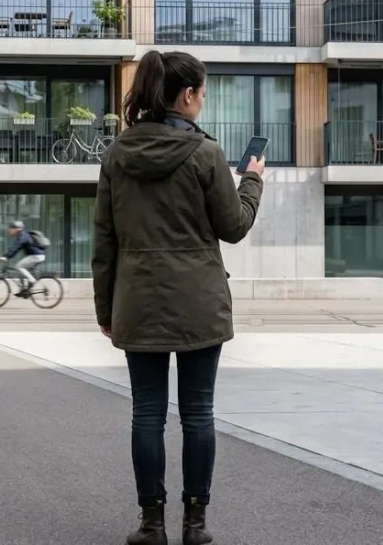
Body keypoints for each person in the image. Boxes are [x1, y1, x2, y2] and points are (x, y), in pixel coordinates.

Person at [93, 50, 264, 545]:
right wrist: (252, 181)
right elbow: (234, 227)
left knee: (146, 413)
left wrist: (107, 312)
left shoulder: (117, 156)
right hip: (199, 303)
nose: (202, 102)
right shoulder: (206, 155)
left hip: (138, 301)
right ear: (187, 95)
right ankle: (195, 524)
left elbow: (104, 243)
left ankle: (151, 526)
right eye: (203, 94)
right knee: (198, 413)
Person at [0, 221, 46, 296]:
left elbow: (15, 248)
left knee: (19, 266)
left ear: (16, 229)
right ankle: (24, 290)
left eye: (11, 229)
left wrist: (6, 257)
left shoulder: (22, 237)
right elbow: (16, 248)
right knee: (21, 271)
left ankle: (32, 280)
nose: (9, 231)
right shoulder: (24, 235)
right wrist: (8, 256)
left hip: (36, 256)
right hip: (37, 256)